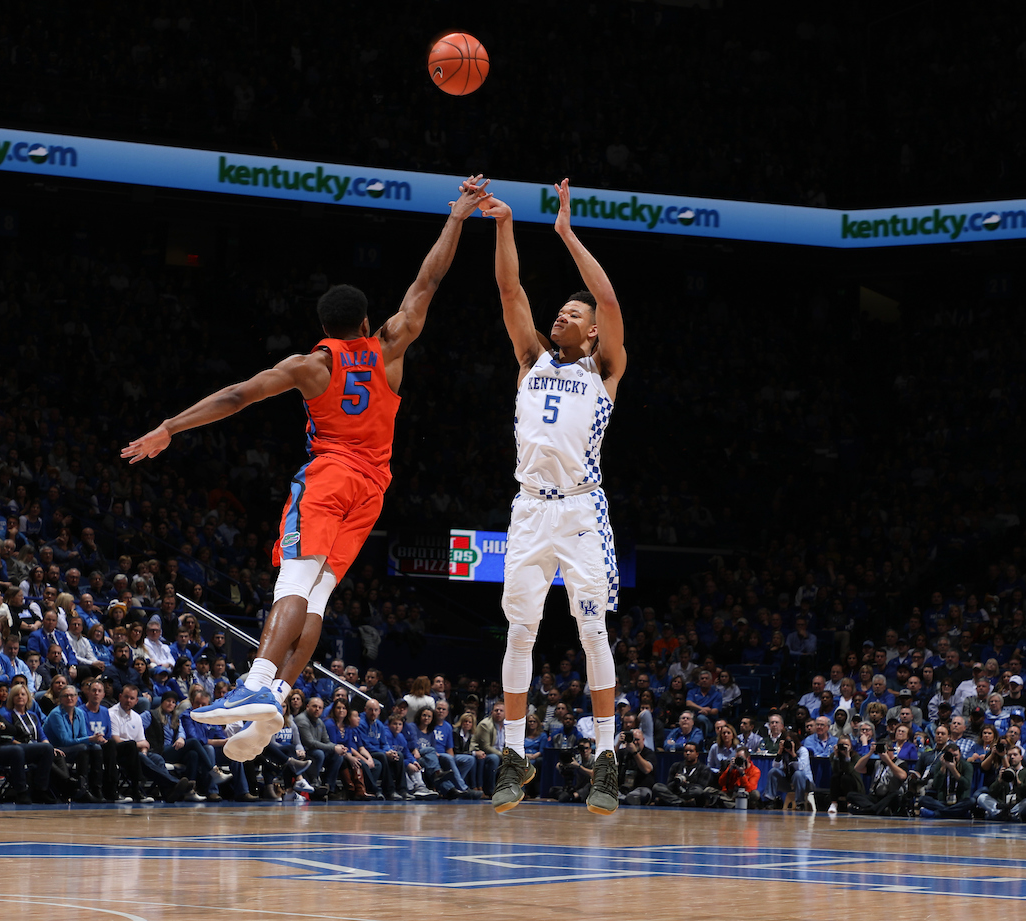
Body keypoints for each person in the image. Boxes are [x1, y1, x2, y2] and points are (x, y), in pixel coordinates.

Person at [124, 179, 493, 761]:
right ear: (368, 320)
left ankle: (254, 681)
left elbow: (238, 395)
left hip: (328, 479)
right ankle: (275, 701)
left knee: (292, 586)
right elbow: (428, 281)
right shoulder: (392, 347)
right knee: (316, 600)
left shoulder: (311, 364)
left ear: (325, 325)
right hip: (373, 490)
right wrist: (457, 218)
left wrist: (169, 427)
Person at [477, 179, 627, 817]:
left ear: (592, 335)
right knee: (519, 631)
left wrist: (565, 232)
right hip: (530, 509)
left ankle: (605, 760)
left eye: (573, 316)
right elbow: (510, 290)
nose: (562, 317)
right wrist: (506, 224)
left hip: (581, 509)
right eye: (560, 313)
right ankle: (515, 754)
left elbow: (607, 297)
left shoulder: (604, 370)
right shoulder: (531, 359)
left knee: (592, 633)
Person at [0, 683, 57, 804]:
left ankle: (40, 790)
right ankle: (21, 792)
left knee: (46, 748)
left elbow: (17, 730)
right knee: (16, 750)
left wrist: (0, 725)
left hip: (4, 748)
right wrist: (4, 730)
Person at [976, 744, 1026, 822]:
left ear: (1021, 757)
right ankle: (1001, 814)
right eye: (1009, 755)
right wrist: (999, 781)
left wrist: (1019, 784)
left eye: (1015, 755)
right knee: (982, 797)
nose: (1012, 757)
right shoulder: (1004, 771)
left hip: (1017, 805)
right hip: (1002, 805)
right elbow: (992, 792)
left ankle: (1008, 814)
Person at [651, 740, 714, 807]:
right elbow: (669, 785)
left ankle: (671, 801)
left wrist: (686, 783)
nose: (688, 753)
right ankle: (681, 802)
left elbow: (701, 787)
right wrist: (676, 782)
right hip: (676, 792)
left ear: (697, 754)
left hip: (690, 794)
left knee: (698, 791)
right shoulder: (676, 766)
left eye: (691, 751)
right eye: (686, 751)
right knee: (657, 787)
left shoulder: (704, 768)